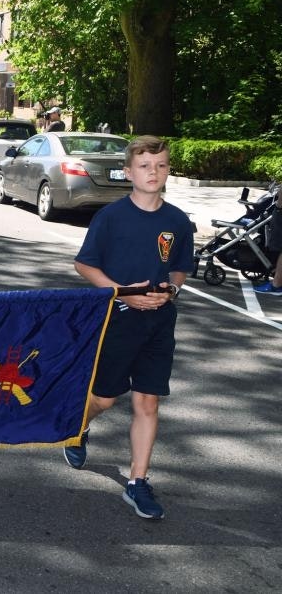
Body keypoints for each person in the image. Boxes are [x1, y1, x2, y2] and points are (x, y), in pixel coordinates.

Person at [65, 136, 193, 520]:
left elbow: (180, 267)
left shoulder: (177, 221)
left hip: (159, 322)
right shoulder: (111, 217)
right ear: (128, 171)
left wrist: (171, 288)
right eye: (144, 166)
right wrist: (123, 293)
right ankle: (77, 426)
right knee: (105, 398)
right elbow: (85, 264)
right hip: (118, 319)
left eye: (161, 165)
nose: (153, 172)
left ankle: (138, 482)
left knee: (148, 401)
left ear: (168, 170)